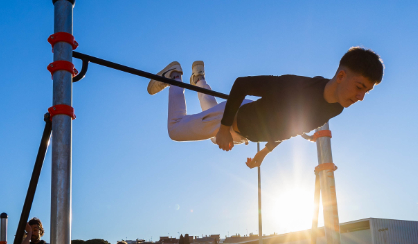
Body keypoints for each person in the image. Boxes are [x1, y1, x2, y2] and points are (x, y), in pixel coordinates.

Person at [148, 48, 383, 168]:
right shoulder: (297, 86)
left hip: (244, 130)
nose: (361, 97)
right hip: (236, 118)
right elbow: (242, 84)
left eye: (367, 92)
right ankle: (175, 77)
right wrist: (224, 128)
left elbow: (289, 127)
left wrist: (263, 153)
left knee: (211, 120)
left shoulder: (336, 108)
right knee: (176, 130)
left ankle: (199, 81)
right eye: (359, 87)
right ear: (341, 76)